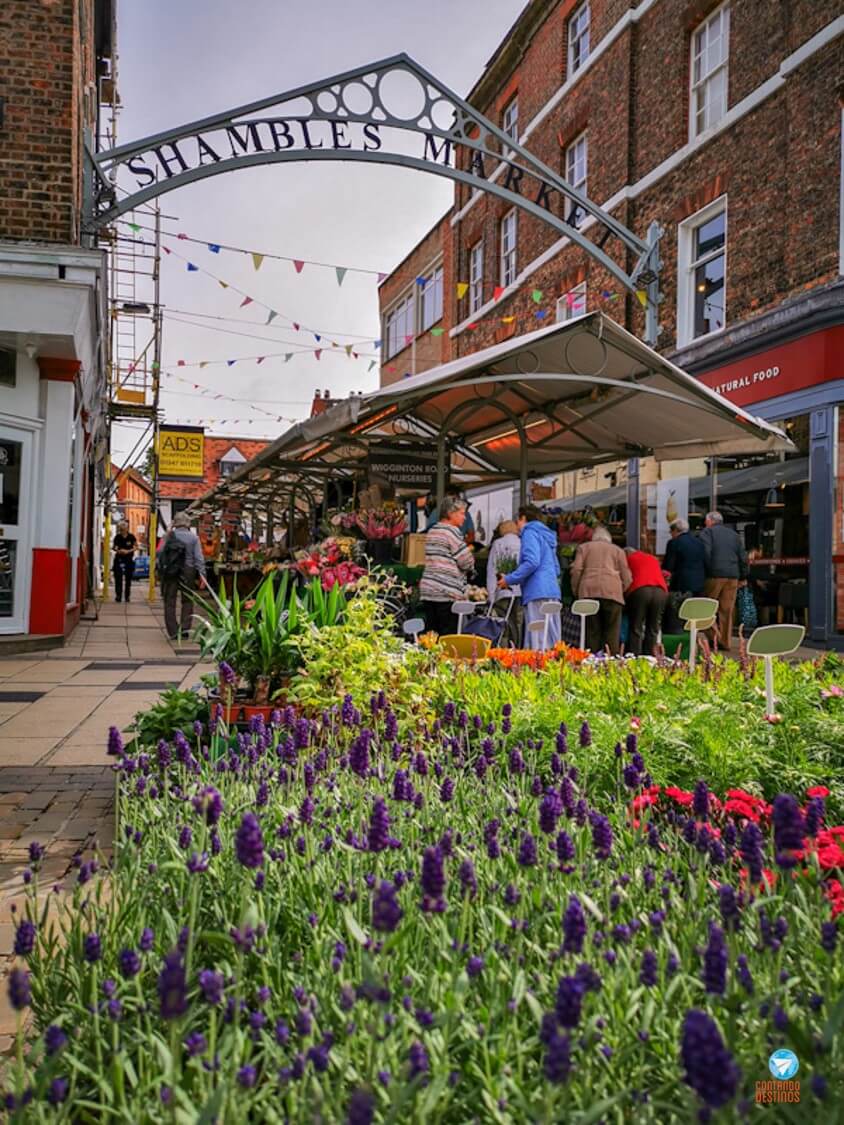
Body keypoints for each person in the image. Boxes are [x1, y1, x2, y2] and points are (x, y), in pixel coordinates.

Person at [498, 506, 561, 651]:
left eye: (517, 520)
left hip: (536, 592)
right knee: (552, 640)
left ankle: (537, 671)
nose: (517, 526)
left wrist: (509, 579)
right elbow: (556, 569)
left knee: (537, 639)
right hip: (552, 591)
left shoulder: (530, 532)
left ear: (523, 518)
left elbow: (532, 561)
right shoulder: (546, 536)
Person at [569, 525, 632, 655]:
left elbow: (576, 570)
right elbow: (627, 576)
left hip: (588, 592)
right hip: (612, 593)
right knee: (612, 631)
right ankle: (610, 663)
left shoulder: (584, 548)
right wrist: (622, 589)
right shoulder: (618, 550)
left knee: (592, 631)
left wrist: (576, 590)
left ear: (594, 538)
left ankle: (592, 662)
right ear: (608, 539)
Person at [419, 496, 475, 635]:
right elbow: (465, 561)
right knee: (448, 635)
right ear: (451, 514)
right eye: (462, 513)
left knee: (432, 635)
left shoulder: (432, 531)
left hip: (429, 590)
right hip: (446, 591)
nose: (465, 518)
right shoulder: (451, 531)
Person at [699, 510, 748, 653]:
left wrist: (707, 571)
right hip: (733, 576)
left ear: (709, 521)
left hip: (714, 575)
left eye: (705, 521)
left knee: (705, 608)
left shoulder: (707, 533)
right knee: (727, 610)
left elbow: (706, 553)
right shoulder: (734, 535)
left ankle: (716, 637)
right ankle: (726, 642)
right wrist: (743, 575)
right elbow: (743, 557)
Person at [157, 512, 206, 640]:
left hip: (171, 571)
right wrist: (202, 575)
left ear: (175, 523)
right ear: (188, 523)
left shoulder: (168, 536)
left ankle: (173, 630)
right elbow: (199, 558)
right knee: (187, 600)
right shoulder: (193, 538)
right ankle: (184, 629)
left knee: (170, 601)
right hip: (188, 571)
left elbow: (159, 553)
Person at [624, 546, 668, 656]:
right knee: (653, 627)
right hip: (660, 591)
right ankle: (650, 656)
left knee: (636, 626)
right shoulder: (652, 558)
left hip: (640, 590)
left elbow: (626, 578)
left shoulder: (629, 559)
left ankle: (635, 656)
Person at [486, 519, 523, 647]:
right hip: (520, 591)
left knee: (503, 622)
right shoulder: (522, 543)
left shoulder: (498, 543)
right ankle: (517, 648)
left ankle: (504, 647)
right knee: (518, 622)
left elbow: (492, 570)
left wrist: (491, 595)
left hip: (502, 591)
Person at [663, 519, 706, 597]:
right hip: (699, 582)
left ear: (676, 530)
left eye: (671, 530)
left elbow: (669, 565)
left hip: (681, 584)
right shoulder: (699, 542)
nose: (670, 533)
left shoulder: (674, 542)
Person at [112, 520, 137, 603]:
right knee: (118, 578)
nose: (122, 530)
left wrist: (128, 551)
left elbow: (136, 547)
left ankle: (127, 596)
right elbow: (114, 547)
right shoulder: (117, 537)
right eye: (121, 529)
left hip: (129, 559)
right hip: (119, 559)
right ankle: (118, 596)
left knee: (128, 579)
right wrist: (119, 550)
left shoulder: (131, 537)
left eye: (124, 528)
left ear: (127, 528)